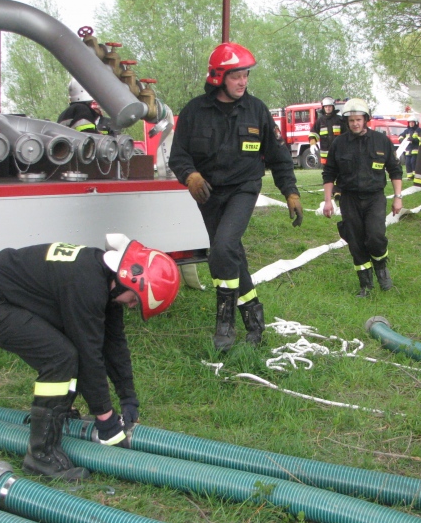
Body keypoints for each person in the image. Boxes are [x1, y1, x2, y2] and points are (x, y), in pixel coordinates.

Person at [0, 234, 180, 481]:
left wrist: (128, 398)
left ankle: (56, 414)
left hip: (12, 296)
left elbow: (114, 345)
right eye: (135, 300)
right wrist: (106, 420)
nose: (131, 306)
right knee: (60, 357)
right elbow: (89, 356)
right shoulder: (87, 285)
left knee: (65, 353)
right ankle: (41, 456)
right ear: (130, 280)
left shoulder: (106, 281)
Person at [168, 42, 303, 352]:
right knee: (230, 255)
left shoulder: (257, 110)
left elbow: (279, 156)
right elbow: (179, 155)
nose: (243, 82)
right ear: (218, 77)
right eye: (236, 76)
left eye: (246, 75)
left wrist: (291, 191)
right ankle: (254, 319)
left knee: (223, 248)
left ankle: (225, 323)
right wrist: (190, 175)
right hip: (207, 193)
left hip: (244, 188)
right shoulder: (194, 112)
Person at [322, 98, 403, 295]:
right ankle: (365, 284)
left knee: (375, 236)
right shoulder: (339, 144)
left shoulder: (381, 141)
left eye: (358, 120)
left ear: (366, 119)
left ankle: (381, 269)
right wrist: (328, 201)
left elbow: (395, 170)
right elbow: (329, 173)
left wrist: (398, 197)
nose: (355, 124)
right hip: (349, 198)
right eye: (351, 121)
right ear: (347, 122)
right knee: (355, 241)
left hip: (375, 197)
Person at [309, 96, 345, 166]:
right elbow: (313, 133)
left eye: (329, 106)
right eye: (326, 107)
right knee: (327, 172)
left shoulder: (340, 120)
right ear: (323, 108)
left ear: (333, 107)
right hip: (325, 156)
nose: (328, 108)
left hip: (339, 154)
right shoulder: (320, 121)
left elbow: (346, 135)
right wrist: (312, 144)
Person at [398, 114, 421, 180]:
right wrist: (401, 140)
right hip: (408, 150)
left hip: (415, 150)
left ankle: (415, 175)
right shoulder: (407, 131)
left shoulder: (418, 130)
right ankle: (410, 176)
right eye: (410, 122)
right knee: (407, 163)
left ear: (415, 123)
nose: (411, 124)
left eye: (412, 122)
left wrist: (413, 140)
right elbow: (400, 136)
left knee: (413, 162)